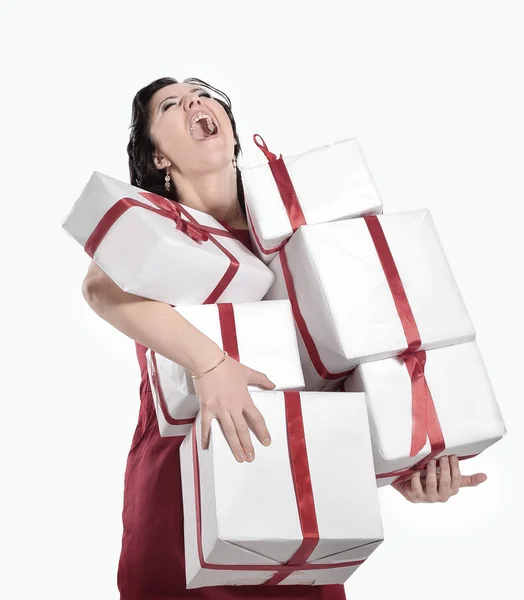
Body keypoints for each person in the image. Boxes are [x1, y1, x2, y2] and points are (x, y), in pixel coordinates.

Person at [81, 77, 488, 600]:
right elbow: (100, 288)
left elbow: (354, 359)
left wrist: (400, 464)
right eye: (171, 105)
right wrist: (211, 366)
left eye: (203, 94)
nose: (196, 103)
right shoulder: (157, 226)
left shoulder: (312, 231)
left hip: (296, 494)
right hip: (181, 485)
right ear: (157, 156)